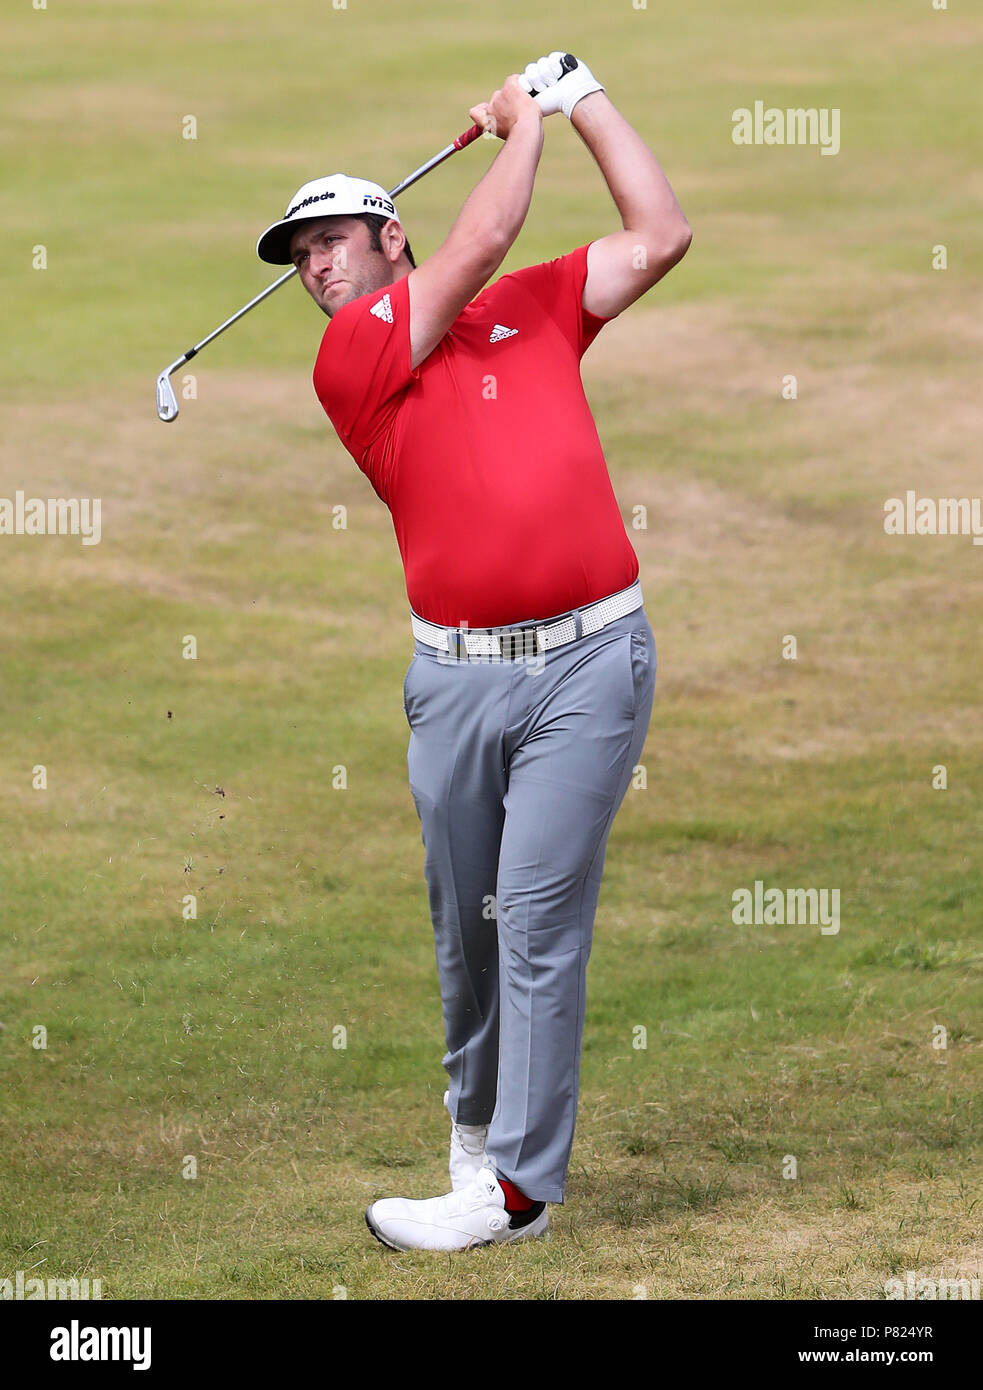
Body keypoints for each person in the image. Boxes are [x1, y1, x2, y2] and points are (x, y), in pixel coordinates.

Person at [255, 51, 692, 1251]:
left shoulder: (529, 308)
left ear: (389, 232)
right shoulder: (352, 358)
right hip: (453, 682)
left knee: (540, 915)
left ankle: (515, 1193)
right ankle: (473, 1142)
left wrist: (577, 91)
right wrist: (518, 126)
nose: (315, 268)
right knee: (474, 929)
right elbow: (483, 243)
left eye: (330, 239)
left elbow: (658, 233)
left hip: (591, 665)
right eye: (300, 259)